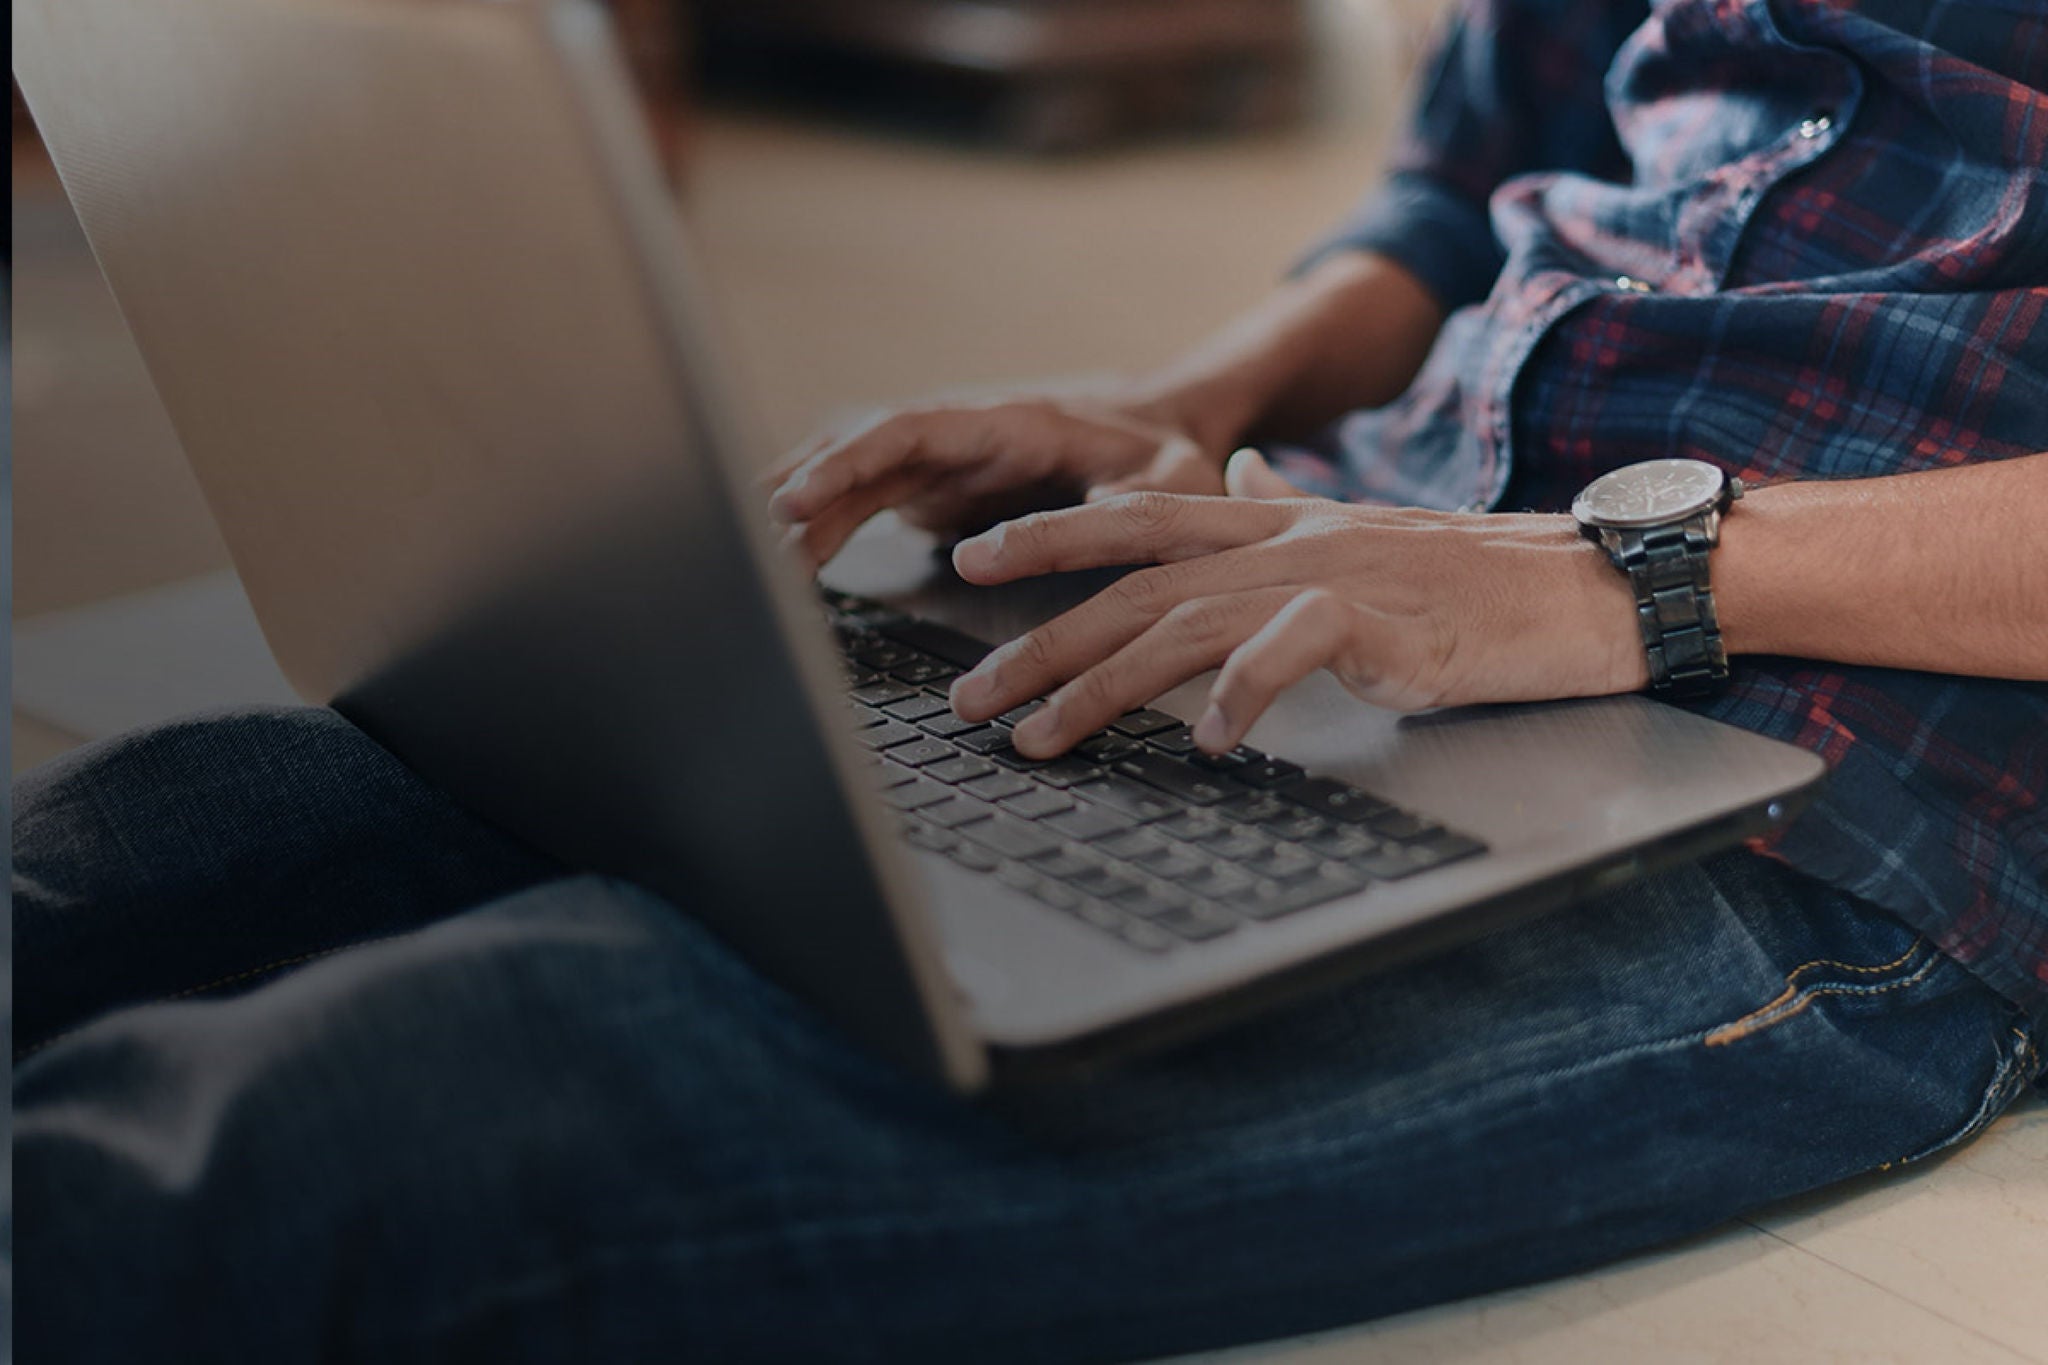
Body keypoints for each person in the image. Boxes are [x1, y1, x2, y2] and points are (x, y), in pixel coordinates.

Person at [13, 0, 2046, 1360]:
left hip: (1832, 803)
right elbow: (1473, 176)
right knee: (140, 849)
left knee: (368, 1116)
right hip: (1332, 576)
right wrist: (1192, 397)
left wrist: (1637, 576)